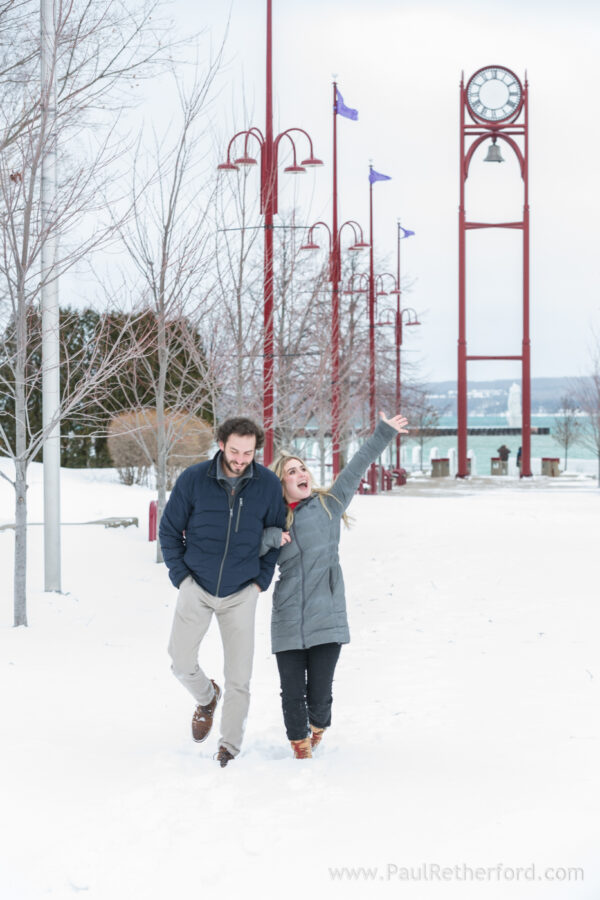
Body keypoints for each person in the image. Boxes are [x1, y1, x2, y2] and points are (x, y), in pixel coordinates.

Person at [261, 412, 409, 759]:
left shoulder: (329, 504)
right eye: (291, 471)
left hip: (326, 613)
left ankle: (317, 728)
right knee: (291, 693)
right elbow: (245, 546)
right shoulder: (272, 518)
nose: (301, 474)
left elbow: (356, 467)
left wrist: (383, 433)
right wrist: (269, 537)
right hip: (287, 617)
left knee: (320, 695)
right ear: (280, 482)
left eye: (302, 468)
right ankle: (300, 748)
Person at [159, 417, 286, 768]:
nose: (241, 459)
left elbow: (276, 535)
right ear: (220, 445)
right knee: (180, 660)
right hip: (196, 585)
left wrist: (260, 580)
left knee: (239, 677)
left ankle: (229, 746)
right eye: (234, 451)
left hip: (241, 591)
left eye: (248, 452)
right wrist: (182, 577)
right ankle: (206, 697)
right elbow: (169, 530)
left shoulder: (268, 485)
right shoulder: (194, 479)